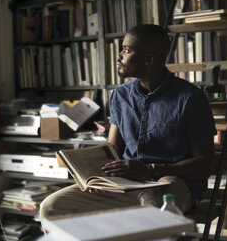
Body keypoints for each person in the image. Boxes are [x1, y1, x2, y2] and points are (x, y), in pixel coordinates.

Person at [40, 24, 217, 226]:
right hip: (126, 181)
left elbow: (205, 164)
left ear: (149, 59)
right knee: (51, 207)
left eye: (126, 49)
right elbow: (113, 148)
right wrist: (95, 177)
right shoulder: (121, 95)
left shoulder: (190, 98)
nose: (118, 56)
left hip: (170, 181)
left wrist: (151, 171)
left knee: (152, 208)